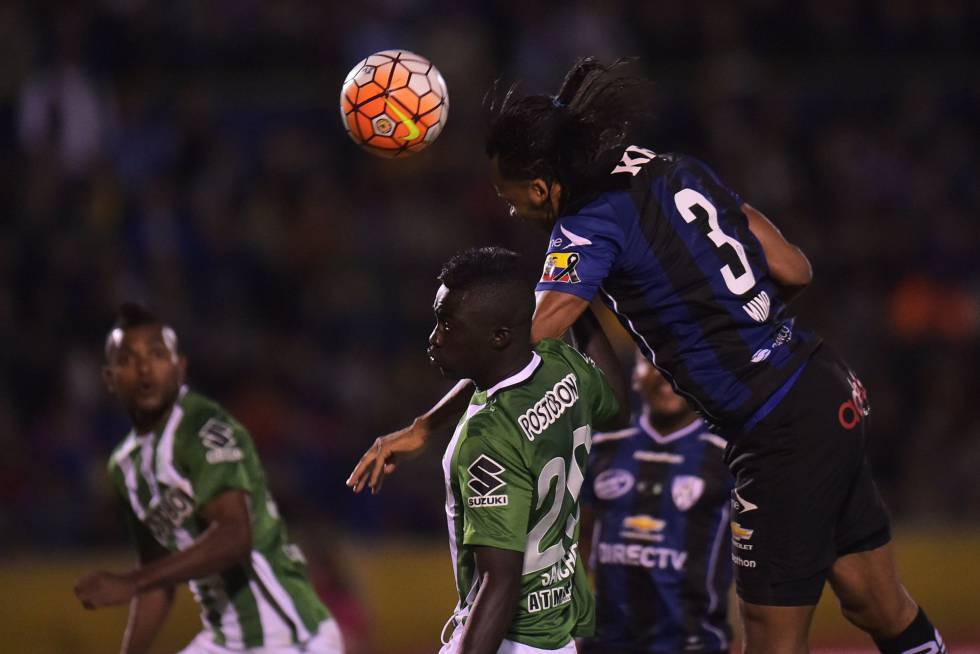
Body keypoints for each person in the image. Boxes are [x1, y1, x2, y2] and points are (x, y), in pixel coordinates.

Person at [349, 59, 946, 654]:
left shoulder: (586, 225)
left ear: (540, 188)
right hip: (826, 387)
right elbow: (794, 267)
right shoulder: (672, 168)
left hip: (776, 430)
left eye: (511, 200)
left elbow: (518, 348)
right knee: (874, 599)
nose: (512, 212)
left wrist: (426, 426)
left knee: (770, 641)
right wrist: (727, 321)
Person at [74, 303, 343, 654]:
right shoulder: (124, 466)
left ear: (179, 367)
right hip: (227, 642)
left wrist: (130, 582)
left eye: (157, 354)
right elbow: (156, 575)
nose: (144, 369)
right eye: (127, 358)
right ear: (109, 377)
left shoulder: (202, 428)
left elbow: (235, 535)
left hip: (291, 637)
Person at [423, 246, 630, 654]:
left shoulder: (488, 437)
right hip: (556, 634)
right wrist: (579, 303)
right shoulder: (562, 366)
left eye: (448, 325)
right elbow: (619, 410)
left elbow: (498, 583)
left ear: (500, 336)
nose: (435, 338)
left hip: (509, 641)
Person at [578, 354, 733, 654]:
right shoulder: (602, 447)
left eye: (681, 366)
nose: (666, 375)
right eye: (652, 363)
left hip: (693, 645)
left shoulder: (727, 458)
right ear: (634, 376)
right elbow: (579, 543)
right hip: (605, 644)